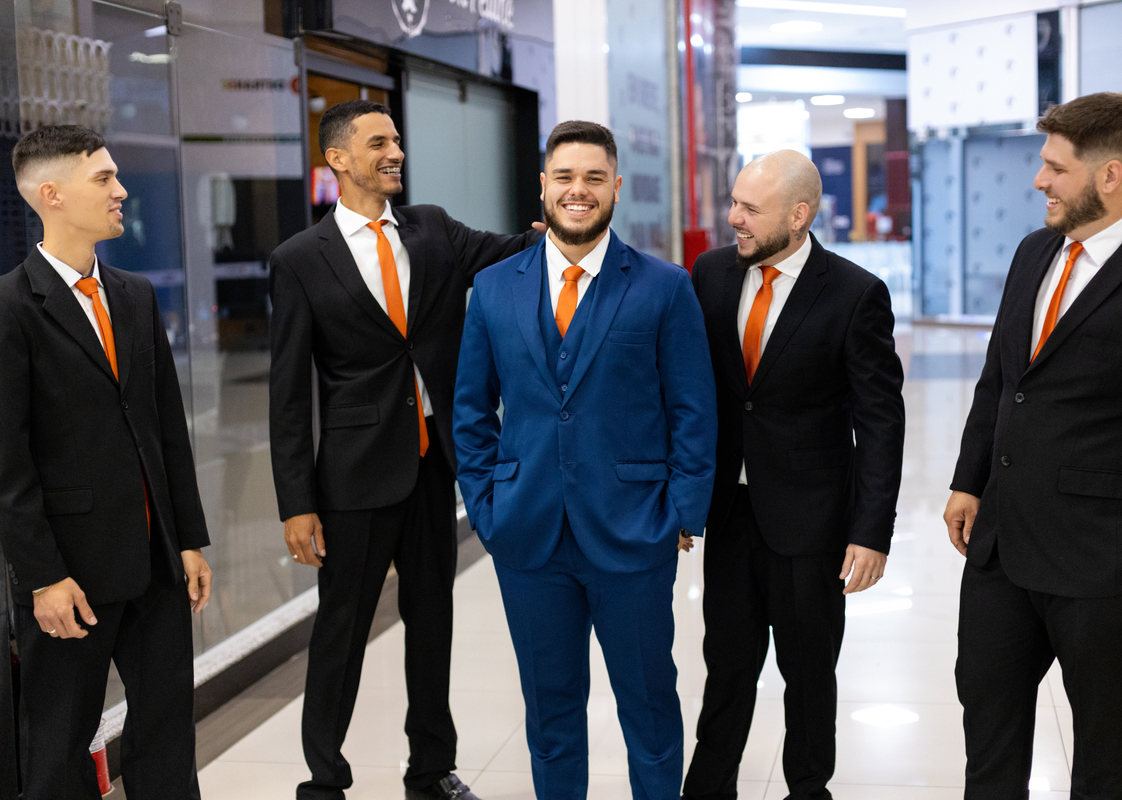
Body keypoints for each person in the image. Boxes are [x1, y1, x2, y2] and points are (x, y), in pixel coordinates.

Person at [268, 99, 542, 800]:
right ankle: (324, 781)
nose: (394, 152)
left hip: (431, 466)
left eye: (395, 140)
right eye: (377, 143)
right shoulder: (299, 260)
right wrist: (296, 503)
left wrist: (562, 218)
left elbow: (515, 249)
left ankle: (431, 770)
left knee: (432, 622)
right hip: (353, 477)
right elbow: (289, 395)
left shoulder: (433, 229)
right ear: (337, 159)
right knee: (342, 631)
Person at [944, 92, 1122, 798]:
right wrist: (968, 480)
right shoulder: (1034, 252)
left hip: (1108, 557)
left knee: (1103, 753)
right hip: (1001, 548)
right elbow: (1001, 380)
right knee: (987, 733)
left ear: (1110, 175)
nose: (1039, 181)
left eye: (1055, 168)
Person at [453, 120, 717, 800]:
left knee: (649, 709)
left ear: (616, 187)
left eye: (595, 177)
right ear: (543, 186)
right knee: (550, 715)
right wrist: (486, 507)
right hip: (527, 535)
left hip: (635, 531)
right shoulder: (492, 288)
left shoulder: (664, 286)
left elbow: (694, 408)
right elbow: (471, 411)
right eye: (565, 177)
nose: (579, 190)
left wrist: (682, 511)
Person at [682, 150, 905, 800]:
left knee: (807, 677)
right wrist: (681, 498)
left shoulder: (855, 294)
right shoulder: (711, 274)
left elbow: (880, 423)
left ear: (799, 215)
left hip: (811, 525)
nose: (734, 217)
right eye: (734, 202)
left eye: (750, 208)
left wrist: (871, 532)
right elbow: (691, 395)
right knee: (726, 667)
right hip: (729, 515)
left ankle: (808, 791)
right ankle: (708, 790)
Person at [0, 124, 213, 799]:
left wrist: (188, 540)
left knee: (167, 737)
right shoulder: (10, 307)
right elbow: (8, 463)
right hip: (71, 573)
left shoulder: (134, 294)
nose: (121, 190)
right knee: (60, 747)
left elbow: (165, 428)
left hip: (156, 561)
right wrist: (42, 577)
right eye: (104, 179)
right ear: (52, 195)